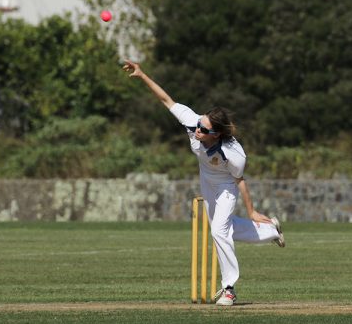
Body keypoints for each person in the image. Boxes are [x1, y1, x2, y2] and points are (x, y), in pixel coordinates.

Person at [122, 60, 285, 306]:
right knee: (225, 230)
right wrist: (142, 74)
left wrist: (251, 210)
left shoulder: (234, 153)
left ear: (216, 134)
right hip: (206, 180)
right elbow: (167, 100)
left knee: (218, 231)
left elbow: (240, 180)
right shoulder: (192, 122)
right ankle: (271, 230)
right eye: (199, 124)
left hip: (227, 185)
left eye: (204, 128)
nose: (198, 130)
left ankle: (228, 288)